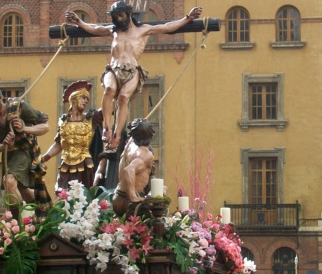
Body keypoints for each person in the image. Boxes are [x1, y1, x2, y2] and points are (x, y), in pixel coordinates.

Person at [65, 2, 202, 150]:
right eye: (115, 17)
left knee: (124, 98)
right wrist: (79, 21)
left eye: (120, 15)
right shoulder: (113, 31)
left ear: (128, 14)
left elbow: (167, 27)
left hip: (132, 70)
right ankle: (107, 128)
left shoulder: (143, 30)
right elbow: (95, 28)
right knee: (109, 90)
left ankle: (117, 135)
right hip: (113, 68)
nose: (118, 19)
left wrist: (187, 18)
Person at [0, 87, 50, 213]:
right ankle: (42, 212)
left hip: (24, 151)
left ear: (0, 97)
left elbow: (45, 127)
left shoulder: (18, 107)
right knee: (22, 189)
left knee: (8, 181)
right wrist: (3, 145)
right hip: (8, 155)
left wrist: (24, 128)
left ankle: (18, 220)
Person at [42, 81, 103, 193]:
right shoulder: (63, 121)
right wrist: (45, 157)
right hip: (66, 163)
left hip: (85, 164)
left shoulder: (91, 119)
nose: (85, 102)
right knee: (62, 194)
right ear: (74, 99)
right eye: (83, 98)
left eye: (87, 99)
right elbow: (58, 144)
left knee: (85, 195)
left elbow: (108, 108)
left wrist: (111, 91)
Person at [112, 118, 155, 216]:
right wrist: (132, 196)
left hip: (118, 196)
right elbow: (129, 169)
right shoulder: (146, 154)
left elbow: (133, 136)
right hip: (130, 202)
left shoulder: (129, 146)